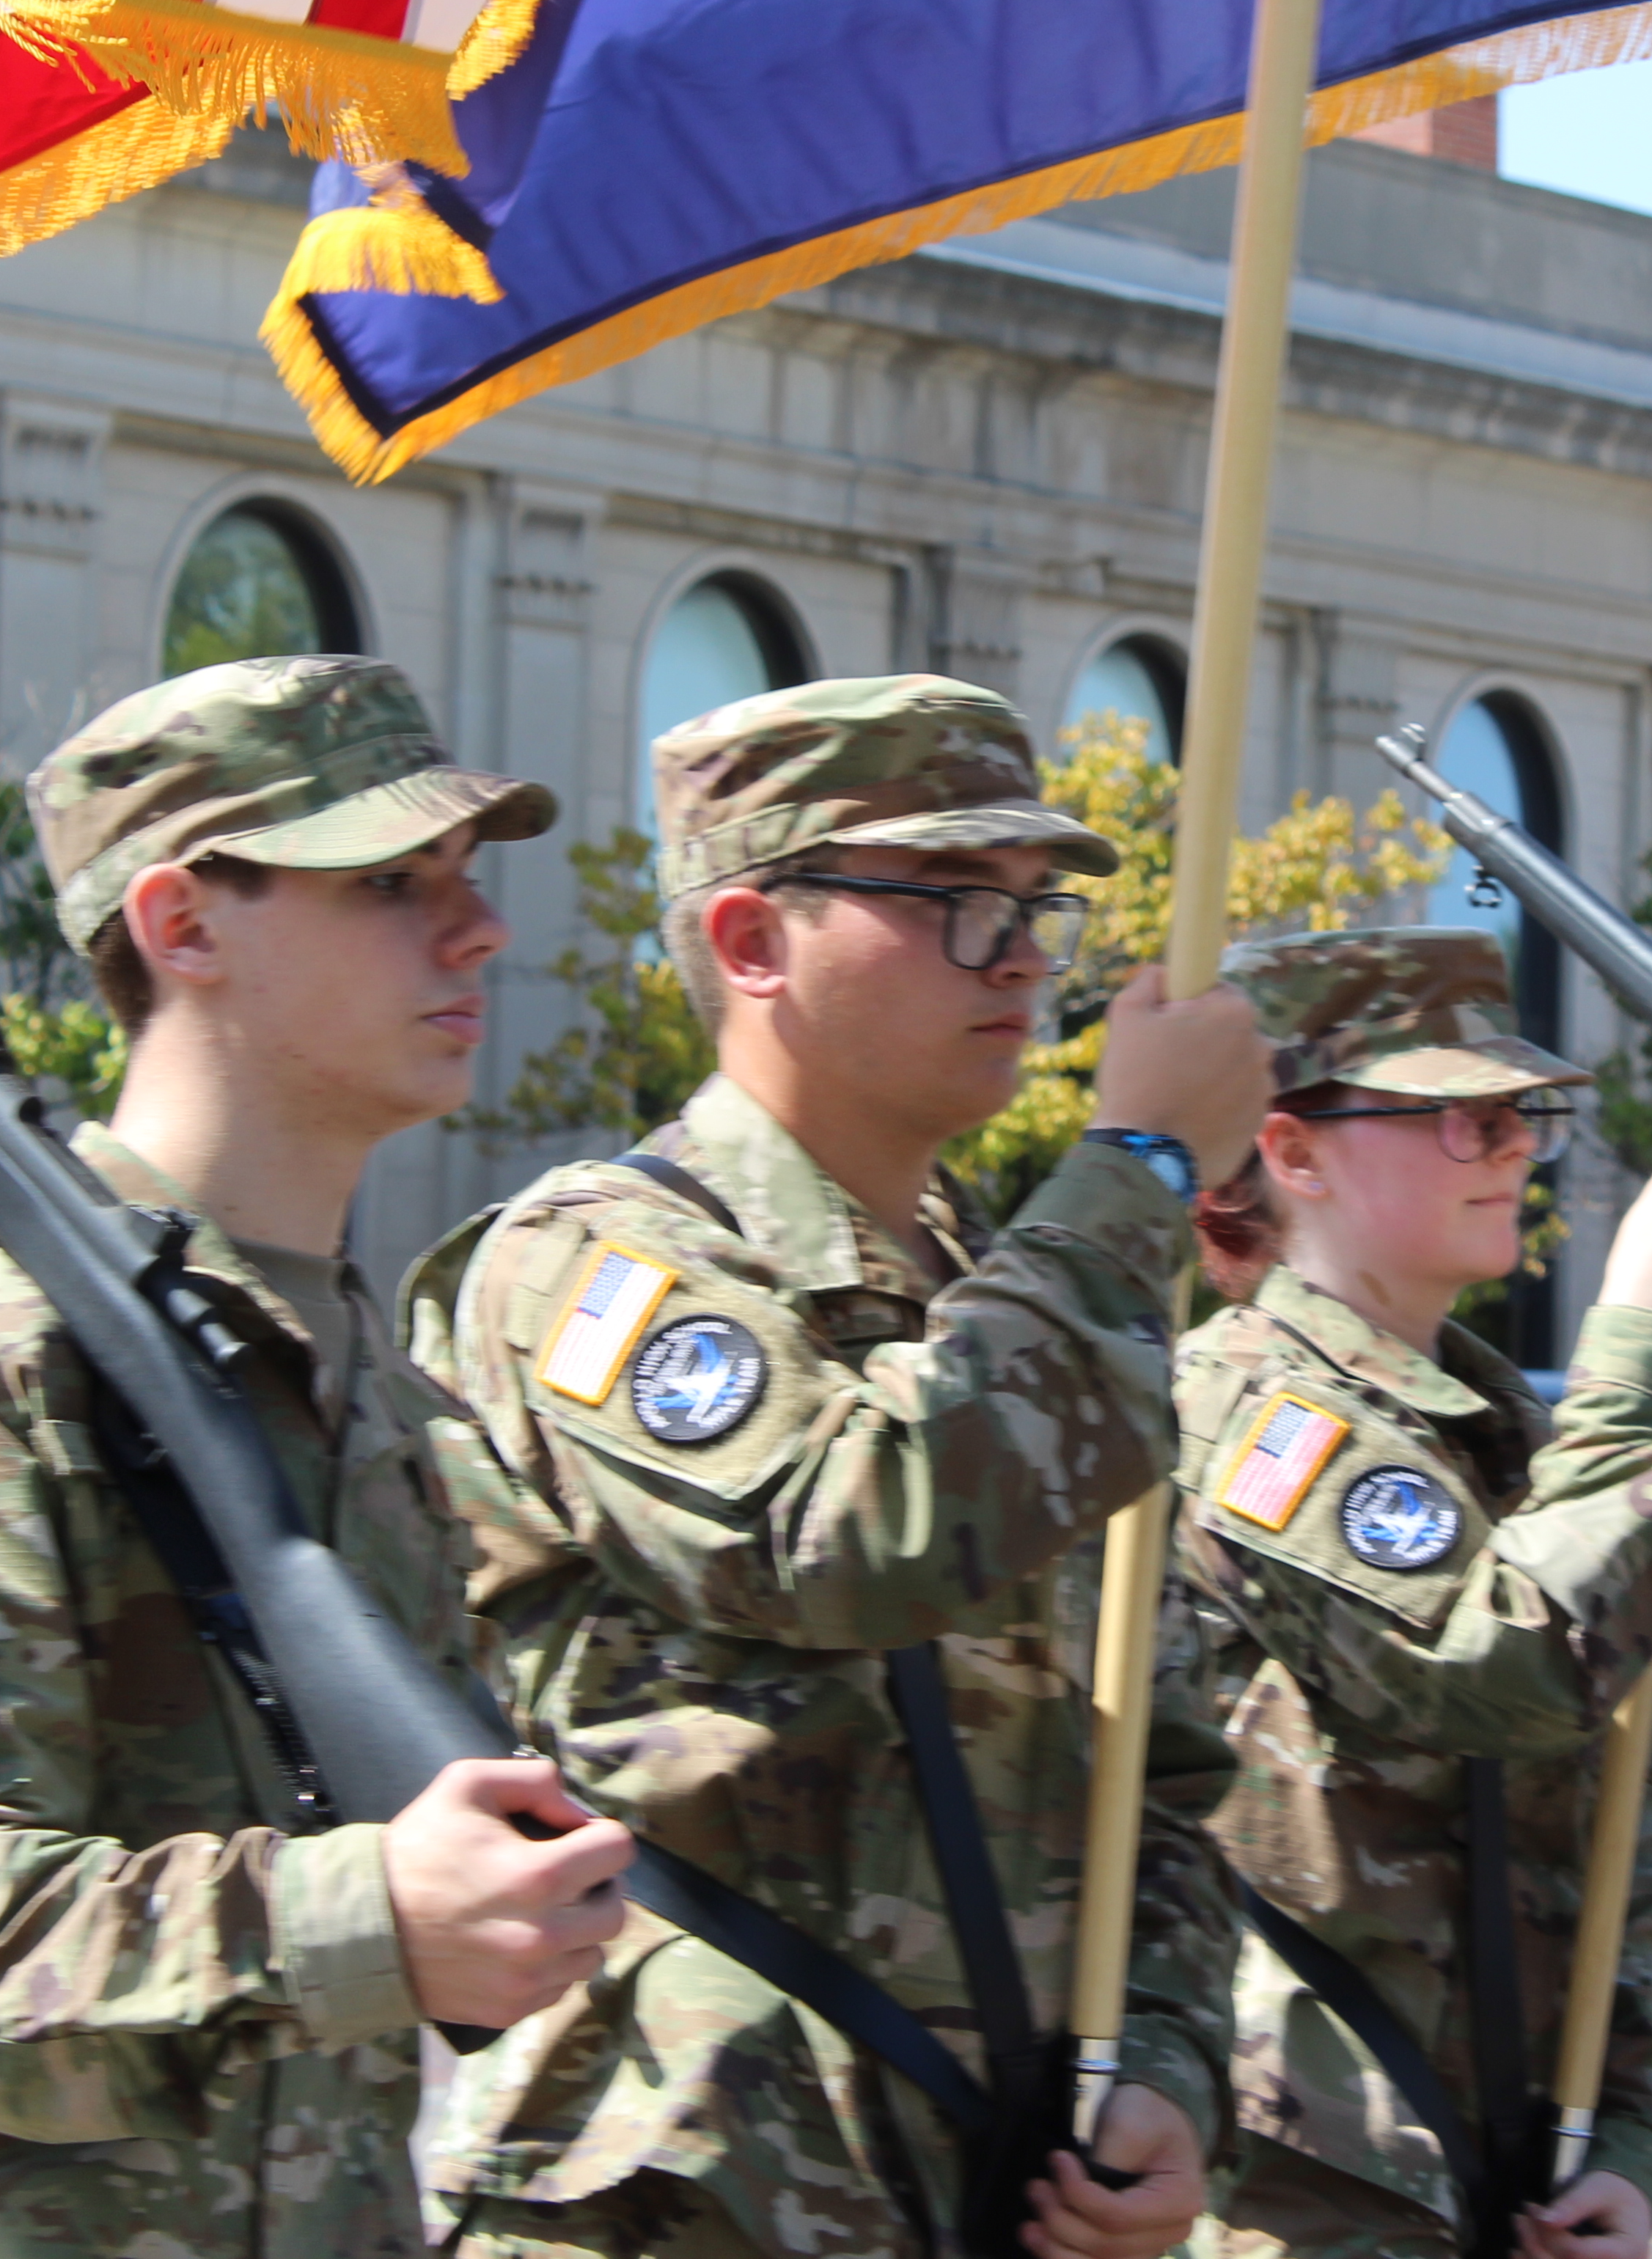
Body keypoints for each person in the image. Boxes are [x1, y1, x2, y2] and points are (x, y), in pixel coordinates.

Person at [0, 655, 636, 2258]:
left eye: (468, 883)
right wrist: (369, 1917)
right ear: (184, 927)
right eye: (396, 884)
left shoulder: (375, 1398)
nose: (480, 933)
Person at [402, 673, 1271, 2259]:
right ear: (751, 942)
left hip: (987, 2186)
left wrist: (1163, 2060)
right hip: (700, 2198)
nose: (1020, 956)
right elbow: (840, 1532)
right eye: (951, 899)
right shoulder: (594, 1262)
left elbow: (1160, 1776)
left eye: (1033, 908)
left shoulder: (1016, 1307)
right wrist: (1138, 1171)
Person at [1173, 928, 1652, 2259]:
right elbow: (1501, 1668)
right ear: (1292, 1149)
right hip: (1307, 2189)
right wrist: (1642, 1352)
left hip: (1509, 2175)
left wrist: (1636, 2131)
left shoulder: (1494, 1429)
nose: (1504, 1146)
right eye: (1449, 1114)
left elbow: (1624, 1839)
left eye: (1513, 1114)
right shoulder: (1248, 1407)